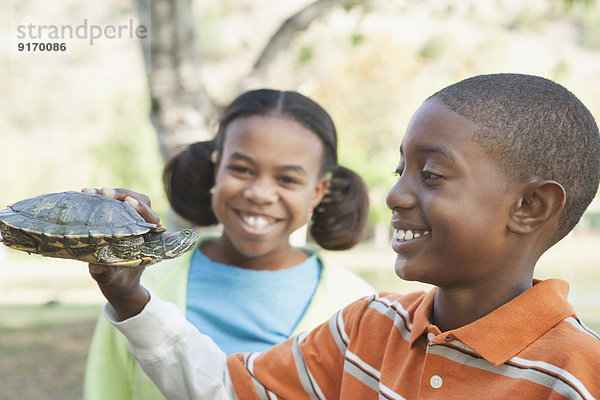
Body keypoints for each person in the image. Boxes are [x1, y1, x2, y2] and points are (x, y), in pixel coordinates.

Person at [90, 73, 600, 399]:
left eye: (431, 175)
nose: (396, 195)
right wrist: (131, 295)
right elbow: (226, 388)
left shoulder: (576, 375)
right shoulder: (368, 328)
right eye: (401, 169)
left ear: (530, 207)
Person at [83, 89, 375, 400]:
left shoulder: (358, 307)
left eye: (288, 179)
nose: (260, 193)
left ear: (317, 192)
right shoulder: (140, 285)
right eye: (242, 170)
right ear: (216, 169)